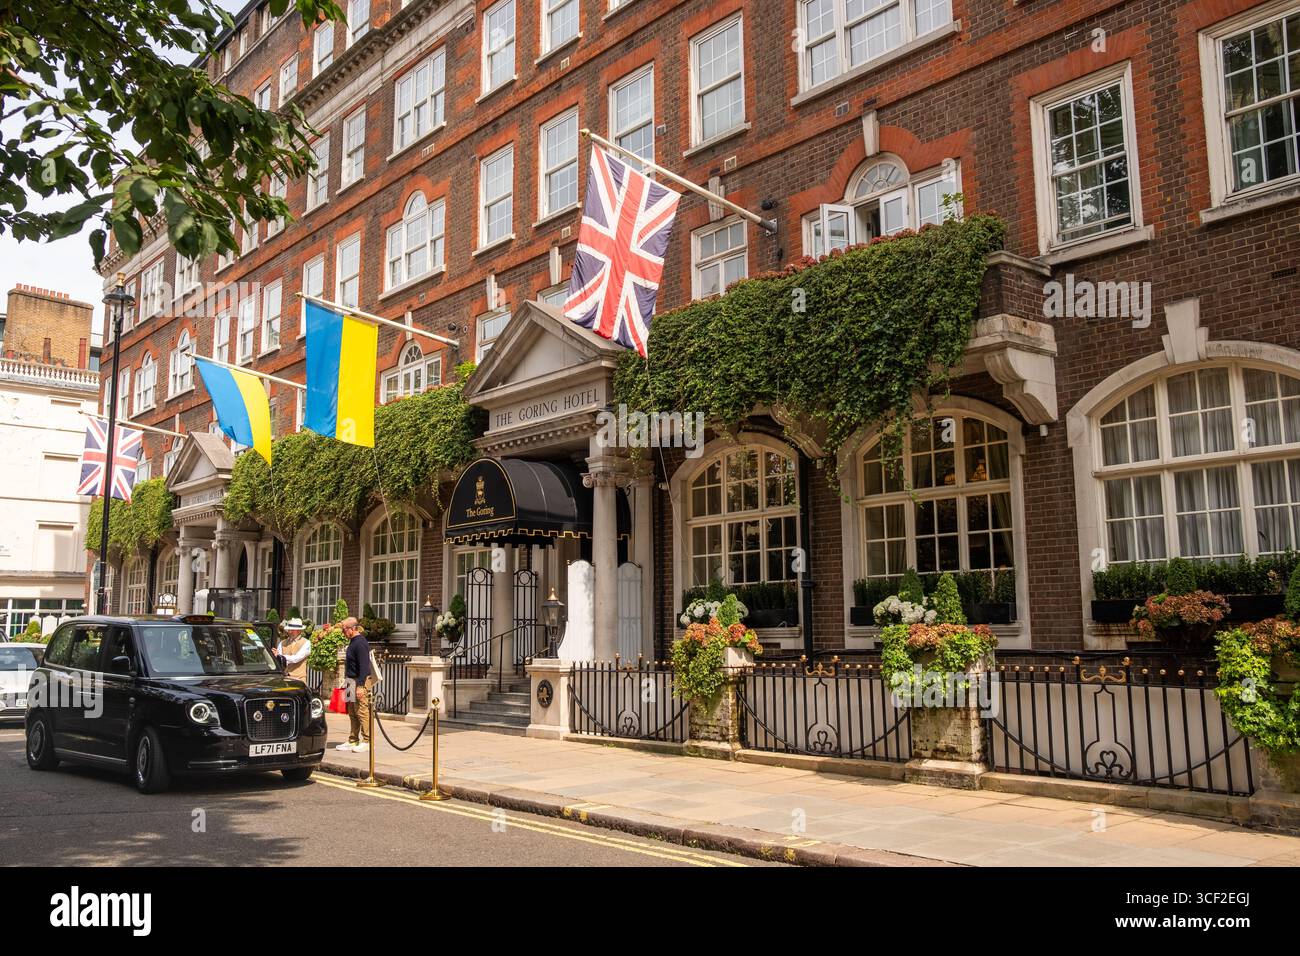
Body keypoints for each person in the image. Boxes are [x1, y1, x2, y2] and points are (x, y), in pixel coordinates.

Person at [336, 617, 373, 754]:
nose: (343, 632)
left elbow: (364, 666)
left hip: (359, 681)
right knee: (352, 712)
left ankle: (367, 741)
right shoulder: (352, 642)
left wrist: (361, 686)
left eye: (344, 629)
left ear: (353, 628)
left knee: (362, 711)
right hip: (350, 680)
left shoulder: (360, 643)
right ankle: (353, 740)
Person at [275, 618, 312, 682]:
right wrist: (275, 656)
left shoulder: (306, 643)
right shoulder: (282, 643)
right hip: (285, 678)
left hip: (299, 679)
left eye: (292, 630)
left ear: (299, 631)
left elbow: (296, 658)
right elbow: (279, 660)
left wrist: (280, 656)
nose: (290, 632)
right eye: (289, 629)